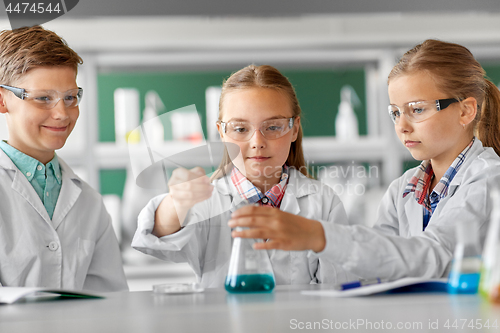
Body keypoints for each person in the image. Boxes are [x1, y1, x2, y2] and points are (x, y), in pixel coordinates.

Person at [229, 39, 500, 280]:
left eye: (417, 109)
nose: (402, 126)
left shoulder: (489, 179)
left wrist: (320, 236)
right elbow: (377, 263)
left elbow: (434, 254)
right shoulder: (403, 190)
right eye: (395, 112)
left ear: (465, 111)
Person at [132, 65, 355, 288]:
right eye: (240, 129)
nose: (257, 141)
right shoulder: (208, 201)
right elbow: (156, 238)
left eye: (273, 127)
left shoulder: (324, 203)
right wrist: (176, 202)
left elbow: (337, 289)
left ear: (294, 129)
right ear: (221, 133)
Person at [0, 26, 128, 291]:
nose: (62, 113)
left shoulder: (89, 202)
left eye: (70, 97)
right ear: (3, 101)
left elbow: (111, 303)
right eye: (43, 98)